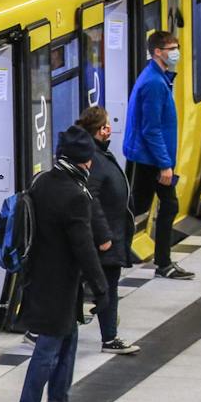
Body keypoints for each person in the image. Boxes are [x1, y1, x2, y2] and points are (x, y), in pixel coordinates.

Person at [16, 125, 107, 402]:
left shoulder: (42, 181)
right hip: (58, 284)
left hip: (40, 278)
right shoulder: (75, 195)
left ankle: (57, 401)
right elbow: (84, 247)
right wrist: (100, 287)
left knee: (68, 336)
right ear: (81, 161)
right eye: (88, 159)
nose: (90, 164)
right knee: (47, 348)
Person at [123, 29, 195, 281]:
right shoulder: (154, 83)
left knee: (140, 207)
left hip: (148, 156)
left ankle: (161, 262)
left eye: (176, 48)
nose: (176, 53)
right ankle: (160, 263)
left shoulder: (159, 77)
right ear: (157, 52)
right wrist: (165, 164)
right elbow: (151, 129)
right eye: (171, 49)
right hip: (148, 158)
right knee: (143, 208)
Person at [78, 107, 139, 355]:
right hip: (104, 237)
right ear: (100, 130)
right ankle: (110, 337)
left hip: (111, 232)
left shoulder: (99, 153)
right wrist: (104, 236)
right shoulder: (94, 157)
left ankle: (109, 334)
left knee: (105, 286)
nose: (110, 128)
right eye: (106, 125)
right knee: (106, 287)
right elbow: (90, 199)